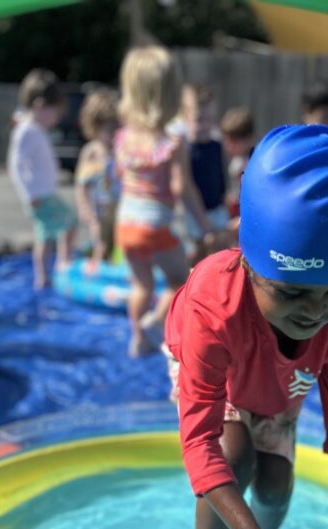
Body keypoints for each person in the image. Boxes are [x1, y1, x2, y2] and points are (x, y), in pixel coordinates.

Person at [165, 124, 328, 529]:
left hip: (274, 383)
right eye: (291, 292)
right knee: (234, 457)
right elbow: (199, 442)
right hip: (218, 365)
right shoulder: (211, 307)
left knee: (277, 489)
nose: (314, 311)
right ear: (249, 264)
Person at [115, 47, 214, 357]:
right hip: (154, 225)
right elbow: (181, 187)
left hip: (126, 223)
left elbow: (121, 176)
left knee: (142, 285)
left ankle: (137, 339)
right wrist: (205, 225)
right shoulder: (171, 142)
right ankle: (154, 322)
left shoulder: (123, 137)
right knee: (180, 281)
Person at [7, 68, 77, 290]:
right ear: (39, 105)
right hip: (40, 196)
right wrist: (29, 194)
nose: (56, 119)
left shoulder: (34, 128)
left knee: (45, 236)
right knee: (71, 222)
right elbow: (16, 165)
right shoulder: (27, 130)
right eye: (54, 113)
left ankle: (43, 276)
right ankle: (63, 265)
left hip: (43, 193)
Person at [180, 83, 232, 263]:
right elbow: (185, 186)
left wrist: (225, 197)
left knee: (221, 247)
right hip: (194, 212)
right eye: (198, 119)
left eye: (209, 119)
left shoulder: (216, 146)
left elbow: (220, 174)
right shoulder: (185, 149)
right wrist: (203, 222)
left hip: (216, 207)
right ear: (185, 119)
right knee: (197, 250)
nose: (205, 125)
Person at [73, 87, 121, 264]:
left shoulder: (120, 151)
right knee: (100, 243)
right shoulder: (91, 152)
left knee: (119, 245)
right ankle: (97, 270)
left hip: (118, 207)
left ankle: (115, 270)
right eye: (108, 128)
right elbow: (81, 185)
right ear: (94, 126)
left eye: (116, 126)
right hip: (98, 210)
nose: (113, 133)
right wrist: (85, 210)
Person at [220, 106, 255, 219]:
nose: (228, 145)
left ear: (249, 139)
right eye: (226, 139)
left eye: (234, 140)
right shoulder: (236, 161)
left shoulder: (255, 163)